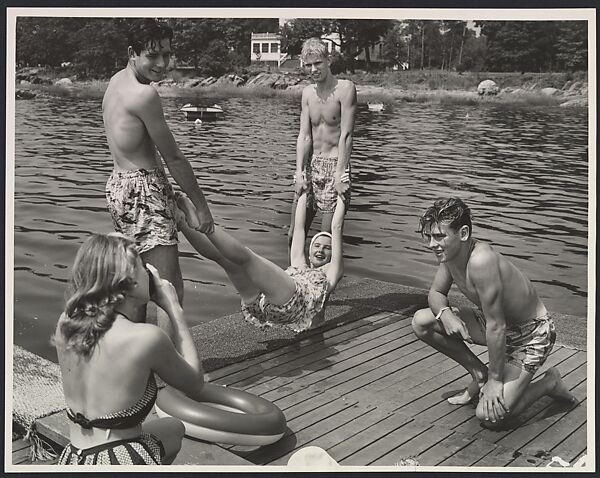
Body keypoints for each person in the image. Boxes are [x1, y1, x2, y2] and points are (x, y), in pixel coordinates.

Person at [411, 198, 576, 428]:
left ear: (464, 233)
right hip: (497, 326)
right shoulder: (449, 256)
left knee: (490, 417)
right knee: (422, 321)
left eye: (439, 236)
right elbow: (436, 293)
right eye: (428, 237)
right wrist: (445, 314)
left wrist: (496, 380)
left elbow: (496, 326)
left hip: (532, 333)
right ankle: (479, 375)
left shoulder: (481, 261)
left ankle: (549, 383)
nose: (431, 244)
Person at [53, 233, 206, 465]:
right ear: (132, 282)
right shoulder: (146, 338)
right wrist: (174, 311)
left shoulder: (66, 323)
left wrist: (118, 248)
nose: (150, 273)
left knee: (173, 429)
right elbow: (195, 384)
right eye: (144, 268)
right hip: (119, 460)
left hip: (75, 458)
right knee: (172, 430)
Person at [103, 18, 214, 327]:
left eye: (166, 54)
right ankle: (171, 367)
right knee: (168, 291)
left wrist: (165, 190)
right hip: (143, 191)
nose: (162, 63)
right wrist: (202, 207)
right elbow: (175, 158)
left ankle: (139, 366)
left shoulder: (115, 82)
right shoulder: (144, 95)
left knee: (137, 288)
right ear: (132, 53)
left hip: (119, 187)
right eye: (153, 55)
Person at [174, 191, 346, 332]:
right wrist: (302, 190)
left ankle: (201, 224)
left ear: (334, 253)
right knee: (226, 260)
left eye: (327, 247)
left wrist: (342, 196)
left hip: (291, 303)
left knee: (247, 256)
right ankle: (181, 221)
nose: (321, 250)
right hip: (259, 306)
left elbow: (336, 227)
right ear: (309, 252)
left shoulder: (331, 273)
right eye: (317, 245)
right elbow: (299, 227)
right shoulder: (299, 263)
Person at [288, 37, 357, 248]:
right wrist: (299, 172)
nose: (313, 69)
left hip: (334, 166)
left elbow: (346, 135)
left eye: (318, 63)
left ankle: (326, 280)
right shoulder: (307, 93)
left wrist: (340, 174)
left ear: (328, 61)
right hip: (311, 165)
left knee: (326, 240)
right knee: (294, 235)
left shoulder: (345, 89)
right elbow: (304, 136)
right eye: (308, 65)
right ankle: (294, 278)